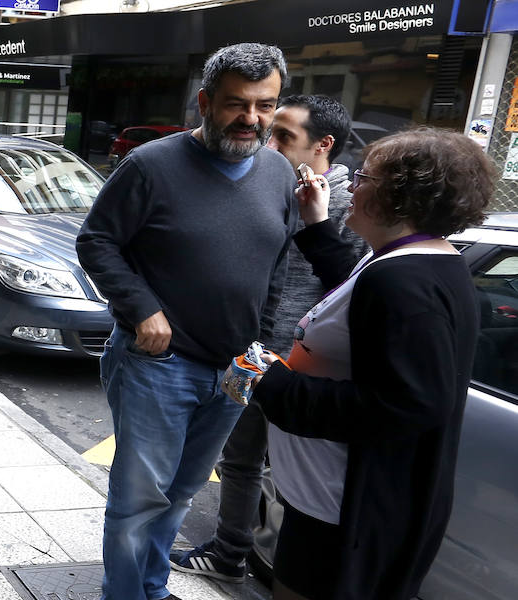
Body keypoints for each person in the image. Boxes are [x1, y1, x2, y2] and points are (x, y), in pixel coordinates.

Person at [76, 43, 297, 600]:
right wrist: (141, 308)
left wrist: (264, 345)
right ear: (204, 102)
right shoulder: (150, 165)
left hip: (234, 371)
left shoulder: (277, 172)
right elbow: (97, 242)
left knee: (181, 493)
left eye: (265, 105)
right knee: (139, 500)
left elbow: (279, 266)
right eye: (236, 104)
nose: (251, 119)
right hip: (158, 365)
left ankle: (150, 588)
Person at [251, 128, 490, 600]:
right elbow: (357, 300)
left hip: (343, 510)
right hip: (327, 500)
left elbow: (407, 405)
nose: (353, 186)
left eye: (364, 177)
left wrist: (274, 384)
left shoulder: (404, 282)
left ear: (400, 197)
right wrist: (318, 228)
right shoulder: (409, 260)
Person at [169, 94, 369, 583]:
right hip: (257, 354)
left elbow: (352, 285)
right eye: (271, 131)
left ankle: (270, 561)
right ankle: (231, 552)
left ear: (324, 144)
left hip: (302, 366)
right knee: (239, 459)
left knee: (286, 473)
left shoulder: (348, 207)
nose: (269, 141)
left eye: (284, 136)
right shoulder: (275, 187)